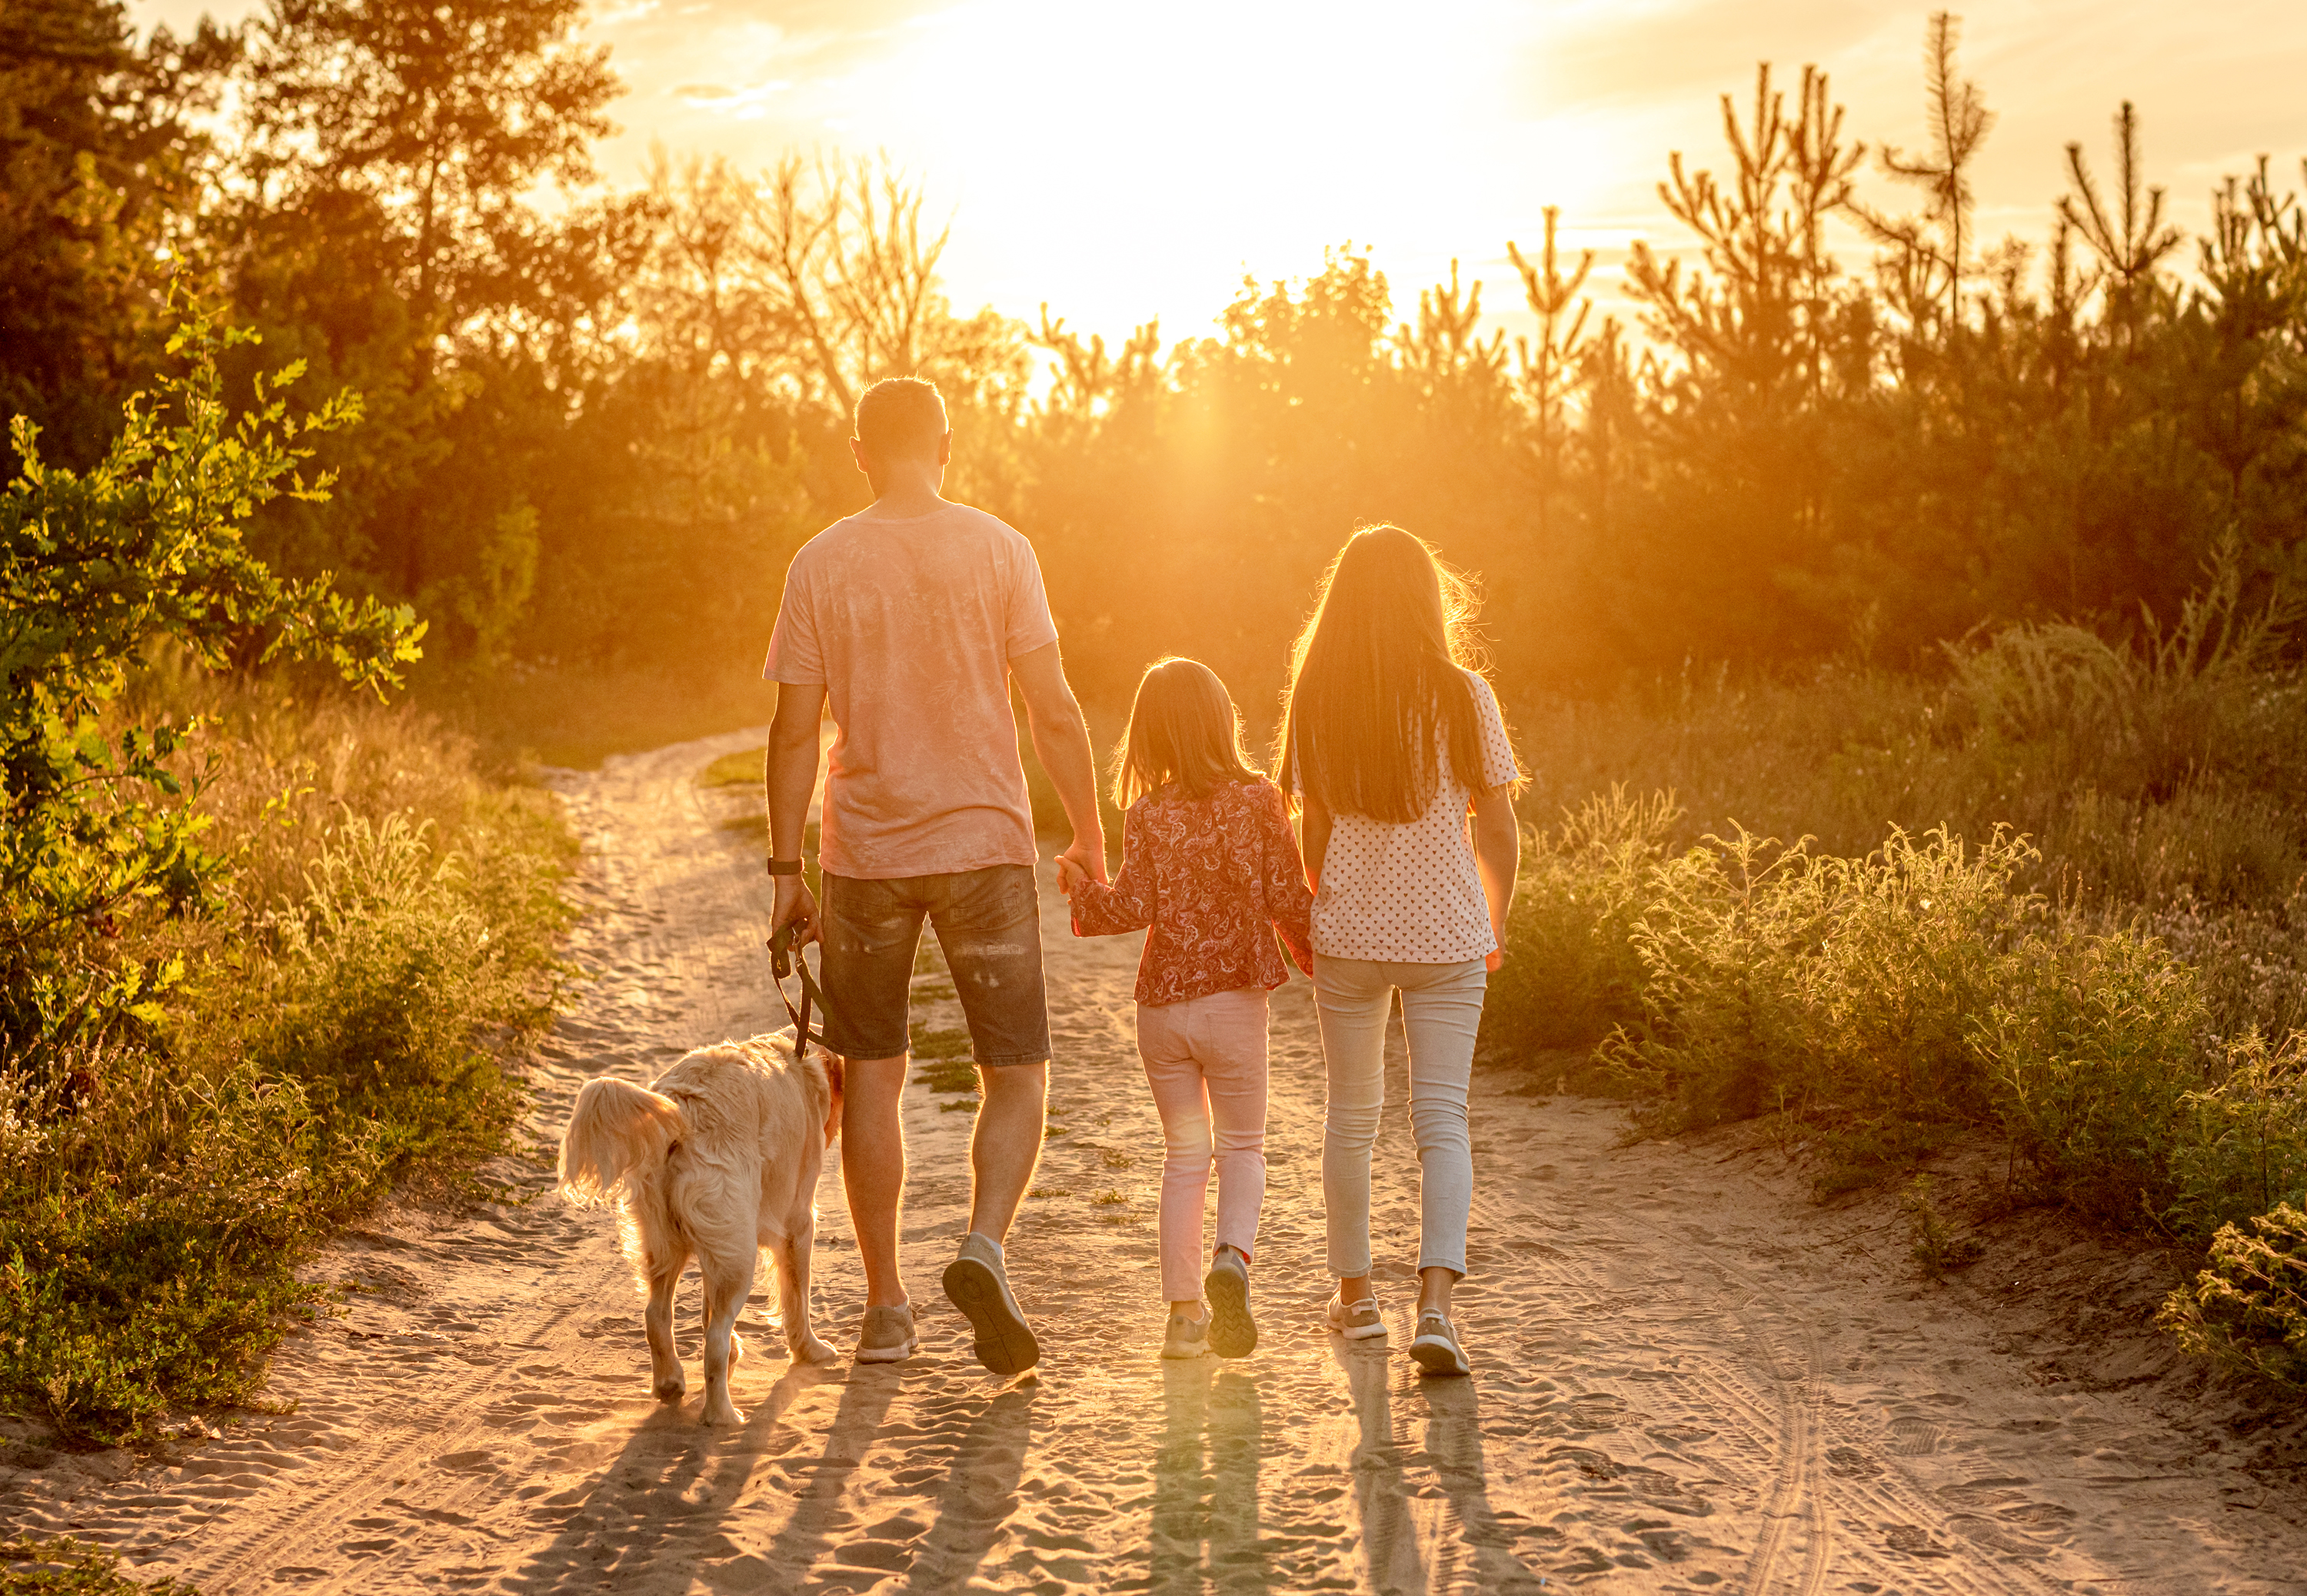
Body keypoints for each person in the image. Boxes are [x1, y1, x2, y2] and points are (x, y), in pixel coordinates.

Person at [761, 376, 1107, 1376]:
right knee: (1017, 1073)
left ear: (860, 451)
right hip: (985, 850)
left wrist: (789, 872)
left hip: (863, 857)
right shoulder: (1002, 550)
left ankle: (885, 1314)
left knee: (871, 1077)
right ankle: (984, 1247)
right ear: (946, 445)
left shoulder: (821, 563)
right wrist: (1089, 833)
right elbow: (1054, 709)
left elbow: (792, 732)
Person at [1277, 525, 1521, 1378]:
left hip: (1349, 935)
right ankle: (1439, 1311)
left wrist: (1321, 910)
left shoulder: (1319, 696)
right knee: (1441, 1121)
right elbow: (1497, 829)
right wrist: (1491, 922)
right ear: (1428, 598)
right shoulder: (1465, 696)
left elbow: (1310, 836)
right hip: (1449, 935)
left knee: (1351, 1120)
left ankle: (1356, 1302)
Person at [1057, 658, 1314, 1361]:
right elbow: (1289, 900)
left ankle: (1181, 1318)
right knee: (1242, 1148)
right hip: (1234, 1002)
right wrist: (1327, 961)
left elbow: (1128, 909)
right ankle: (1232, 1259)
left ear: (1151, 736)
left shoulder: (1148, 813)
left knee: (1183, 1156)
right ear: (1222, 717)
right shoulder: (1259, 800)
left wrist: (1080, 885)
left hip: (1162, 1012)